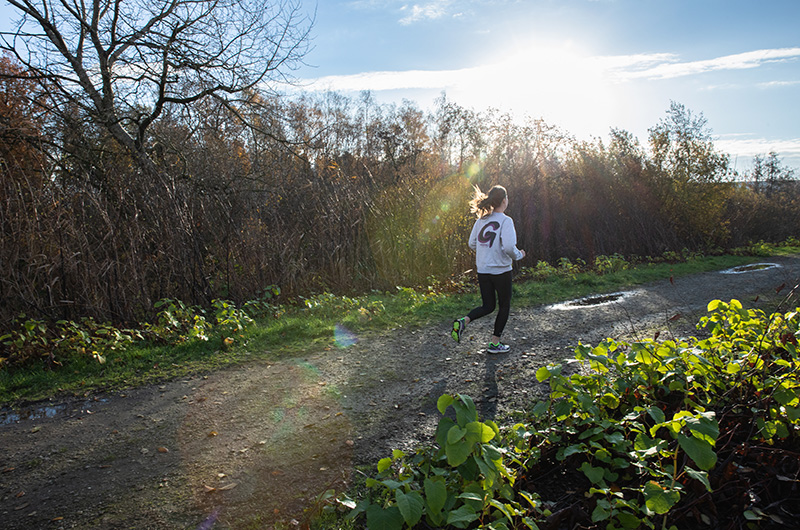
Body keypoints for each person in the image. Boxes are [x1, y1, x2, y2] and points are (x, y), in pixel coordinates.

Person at [451, 185, 525, 353]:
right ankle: (495, 343)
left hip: (483, 270)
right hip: (501, 271)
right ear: (504, 201)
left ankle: (464, 321)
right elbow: (508, 247)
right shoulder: (506, 221)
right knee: (504, 306)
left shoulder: (481, 220)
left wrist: (486, 252)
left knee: (488, 305)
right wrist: (519, 255)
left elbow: (472, 243)